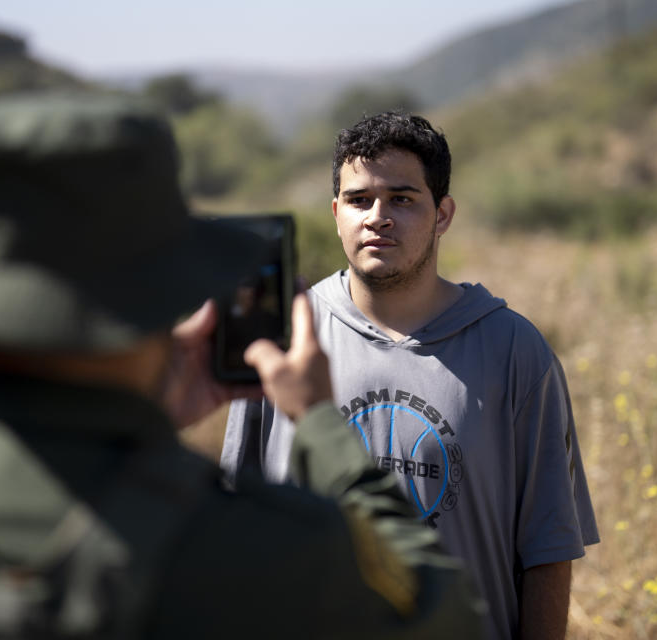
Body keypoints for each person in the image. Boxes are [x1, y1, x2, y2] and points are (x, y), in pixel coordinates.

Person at [0, 93, 483, 639]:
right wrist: (323, 426)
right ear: (168, 292)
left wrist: (139, 420)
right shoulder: (265, 546)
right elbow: (442, 610)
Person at [222, 111, 599, 640]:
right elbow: (235, 526)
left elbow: (548, 551)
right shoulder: (285, 336)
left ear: (442, 214)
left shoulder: (515, 350)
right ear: (335, 213)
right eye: (358, 200)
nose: (377, 217)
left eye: (402, 198)